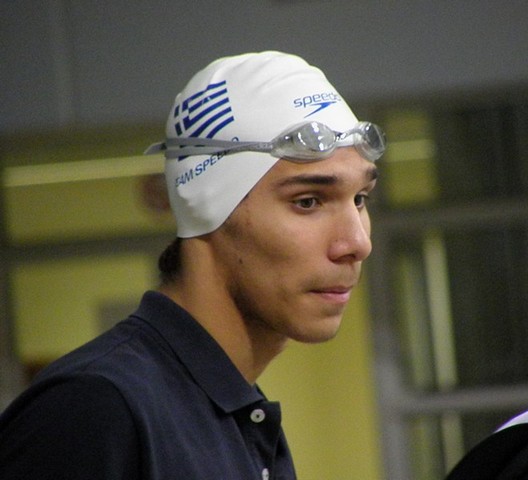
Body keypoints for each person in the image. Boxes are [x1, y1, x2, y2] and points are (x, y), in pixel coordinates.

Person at [0, 51, 385, 479]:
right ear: (207, 207)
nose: (358, 243)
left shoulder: (236, 416)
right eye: (308, 202)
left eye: (360, 199)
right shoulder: (96, 411)